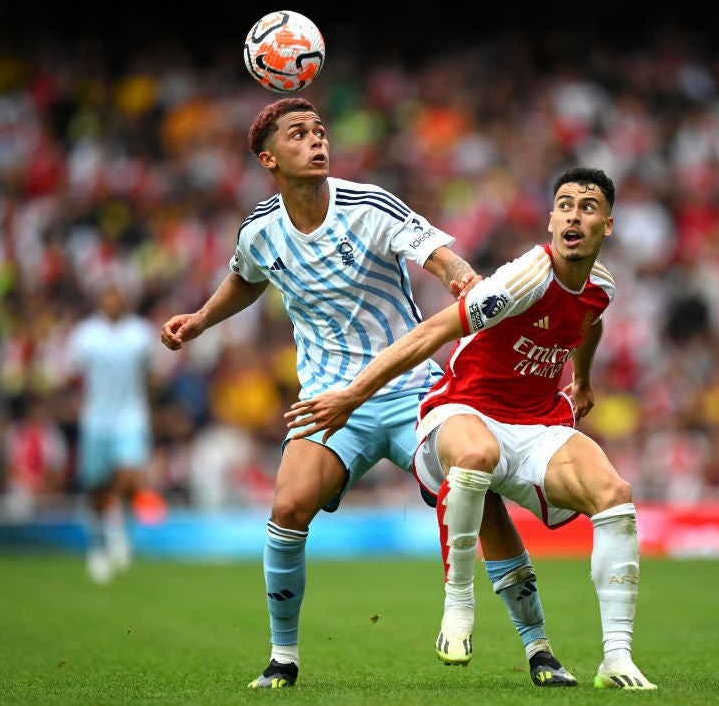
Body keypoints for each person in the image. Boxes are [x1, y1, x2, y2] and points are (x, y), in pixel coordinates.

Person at [159, 97, 575, 689]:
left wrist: (460, 275)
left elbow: (437, 256)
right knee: (287, 509)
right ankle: (283, 657)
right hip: (331, 402)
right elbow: (248, 276)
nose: (317, 140)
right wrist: (201, 318)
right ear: (268, 158)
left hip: (414, 391)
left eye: (320, 130)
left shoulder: (367, 204)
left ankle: (539, 648)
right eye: (299, 134)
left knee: (478, 496)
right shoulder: (259, 231)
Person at [286, 166, 657, 690]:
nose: (575, 214)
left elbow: (588, 323)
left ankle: (617, 659)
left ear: (608, 226)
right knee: (477, 455)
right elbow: (432, 331)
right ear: (551, 220)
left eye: (588, 206)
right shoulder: (523, 278)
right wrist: (353, 395)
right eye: (566, 204)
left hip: (535, 423)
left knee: (615, 495)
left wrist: (586, 380)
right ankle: (458, 604)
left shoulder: (601, 286)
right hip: (462, 410)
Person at [66, 280, 163, 584]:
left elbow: (151, 375)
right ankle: (97, 545)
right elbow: (72, 376)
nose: (112, 303)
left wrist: (151, 408)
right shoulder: (85, 336)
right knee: (96, 486)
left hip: (131, 416)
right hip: (96, 419)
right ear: (99, 301)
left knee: (130, 476)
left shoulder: (140, 334)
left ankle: (117, 531)